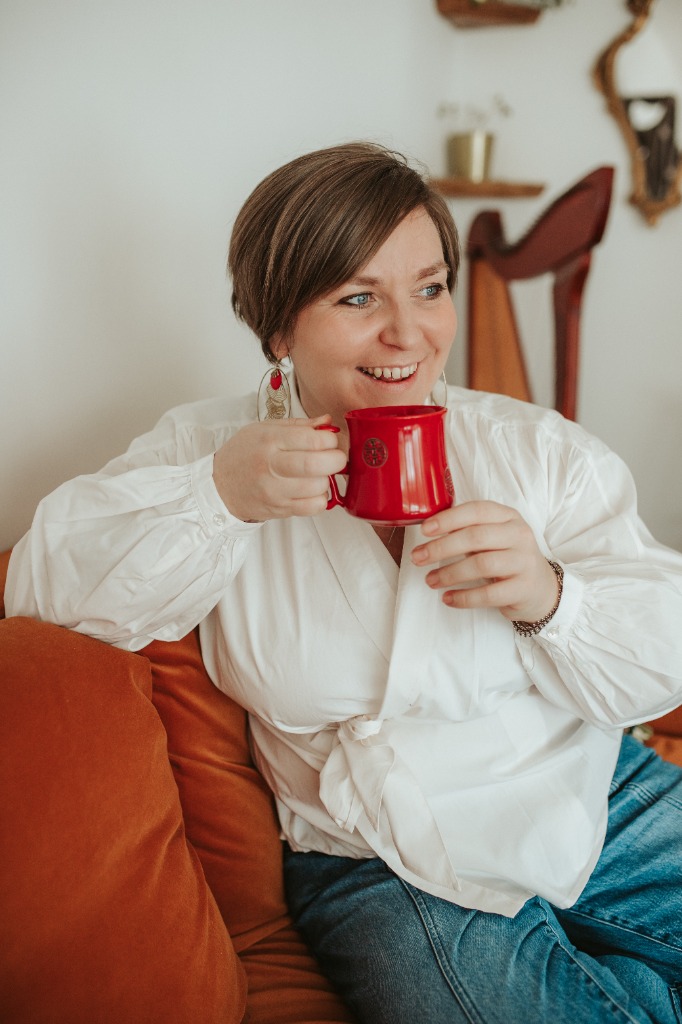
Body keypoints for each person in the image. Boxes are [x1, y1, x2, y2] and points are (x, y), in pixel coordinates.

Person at [6, 141, 682, 1024]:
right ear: (279, 328)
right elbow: (43, 587)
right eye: (359, 298)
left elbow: (662, 656)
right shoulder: (213, 449)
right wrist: (217, 499)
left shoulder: (534, 451)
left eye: (430, 288)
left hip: (592, 790)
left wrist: (552, 596)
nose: (410, 333)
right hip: (374, 857)